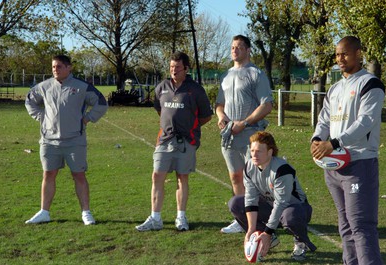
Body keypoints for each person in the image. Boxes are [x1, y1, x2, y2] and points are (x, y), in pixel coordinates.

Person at [311, 36, 384, 265]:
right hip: (333, 167)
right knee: (344, 226)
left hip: (359, 164)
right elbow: (324, 120)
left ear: (358, 53)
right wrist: (316, 139)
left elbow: (365, 122)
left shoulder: (371, 84)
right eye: (337, 54)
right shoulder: (334, 88)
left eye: (345, 53)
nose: (339, 59)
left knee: (361, 226)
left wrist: (333, 143)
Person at [25, 55, 108, 225]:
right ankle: (44, 212)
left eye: (60, 66)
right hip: (49, 140)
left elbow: (101, 103)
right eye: (54, 67)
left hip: (74, 140)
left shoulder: (82, 86)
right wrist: (41, 117)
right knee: (48, 174)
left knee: (78, 175)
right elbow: (30, 102)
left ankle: (86, 212)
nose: (56, 69)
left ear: (69, 68)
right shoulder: (44, 86)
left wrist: (87, 118)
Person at [135, 51, 213, 232]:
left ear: (186, 69)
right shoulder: (162, 87)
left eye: (177, 67)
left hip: (187, 141)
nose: (174, 70)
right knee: (157, 176)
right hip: (164, 140)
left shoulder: (196, 90)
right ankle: (155, 218)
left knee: (182, 177)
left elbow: (206, 116)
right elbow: (159, 109)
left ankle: (181, 217)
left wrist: (189, 127)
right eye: (171, 67)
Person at [228, 131, 316, 261]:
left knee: (290, 217)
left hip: (295, 208)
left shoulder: (282, 170)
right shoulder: (249, 166)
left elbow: (281, 203)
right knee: (236, 203)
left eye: (259, 151)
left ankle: (300, 242)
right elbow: (251, 199)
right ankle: (265, 236)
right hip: (271, 206)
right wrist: (251, 230)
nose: (254, 155)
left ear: (270, 152)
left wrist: (267, 232)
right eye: (252, 150)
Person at [216, 35, 273, 233]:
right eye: (232, 47)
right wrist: (221, 116)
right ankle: (241, 220)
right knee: (235, 178)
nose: (235, 50)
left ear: (248, 50)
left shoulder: (256, 74)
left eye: (239, 47)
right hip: (229, 137)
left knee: (255, 180)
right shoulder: (225, 75)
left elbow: (267, 104)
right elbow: (219, 104)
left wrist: (245, 122)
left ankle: (261, 219)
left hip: (251, 136)